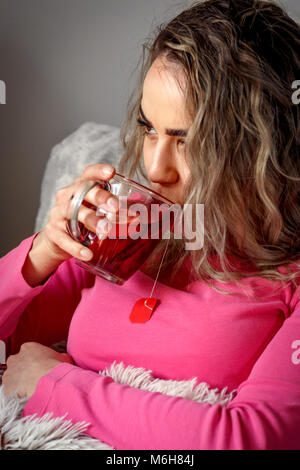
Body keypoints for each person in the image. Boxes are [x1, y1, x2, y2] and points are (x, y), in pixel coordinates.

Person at [0, 0, 300, 450]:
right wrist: (42, 252)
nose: (156, 169)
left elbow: (254, 439)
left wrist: (52, 384)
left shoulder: (290, 279)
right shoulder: (132, 227)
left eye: (188, 140)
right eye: (149, 129)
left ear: (263, 149)